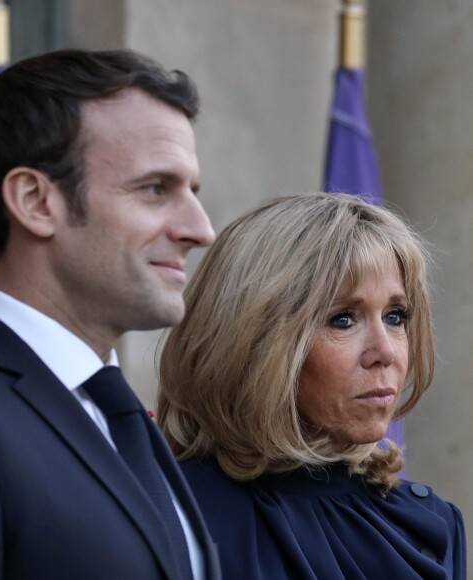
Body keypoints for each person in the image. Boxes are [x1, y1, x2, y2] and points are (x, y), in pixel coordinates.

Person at [0, 49, 221, 580]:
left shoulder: (125, 419)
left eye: (192, 191)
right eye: (156, 188)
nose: (200, 229)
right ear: (35, 201)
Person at [158, 193, 466, 579]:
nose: (385, 352)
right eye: (343, 319)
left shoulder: (430, 524)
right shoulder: (166, 516)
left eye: (395, 315)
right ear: (253, 341)